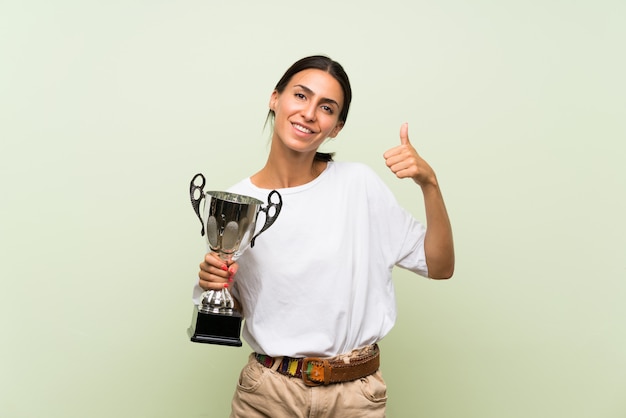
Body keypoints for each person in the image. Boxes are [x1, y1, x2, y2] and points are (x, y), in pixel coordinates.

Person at [193, 55, 454, 417]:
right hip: (269, 395)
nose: (309, 113)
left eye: (326, 107)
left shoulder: (357, 185)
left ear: (336, 127)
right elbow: (237, 310)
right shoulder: (238, 205)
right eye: (300, 96)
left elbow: (440, 266)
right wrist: (215, 282)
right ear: (275, 99)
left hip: (354, 397)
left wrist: (430, 184)